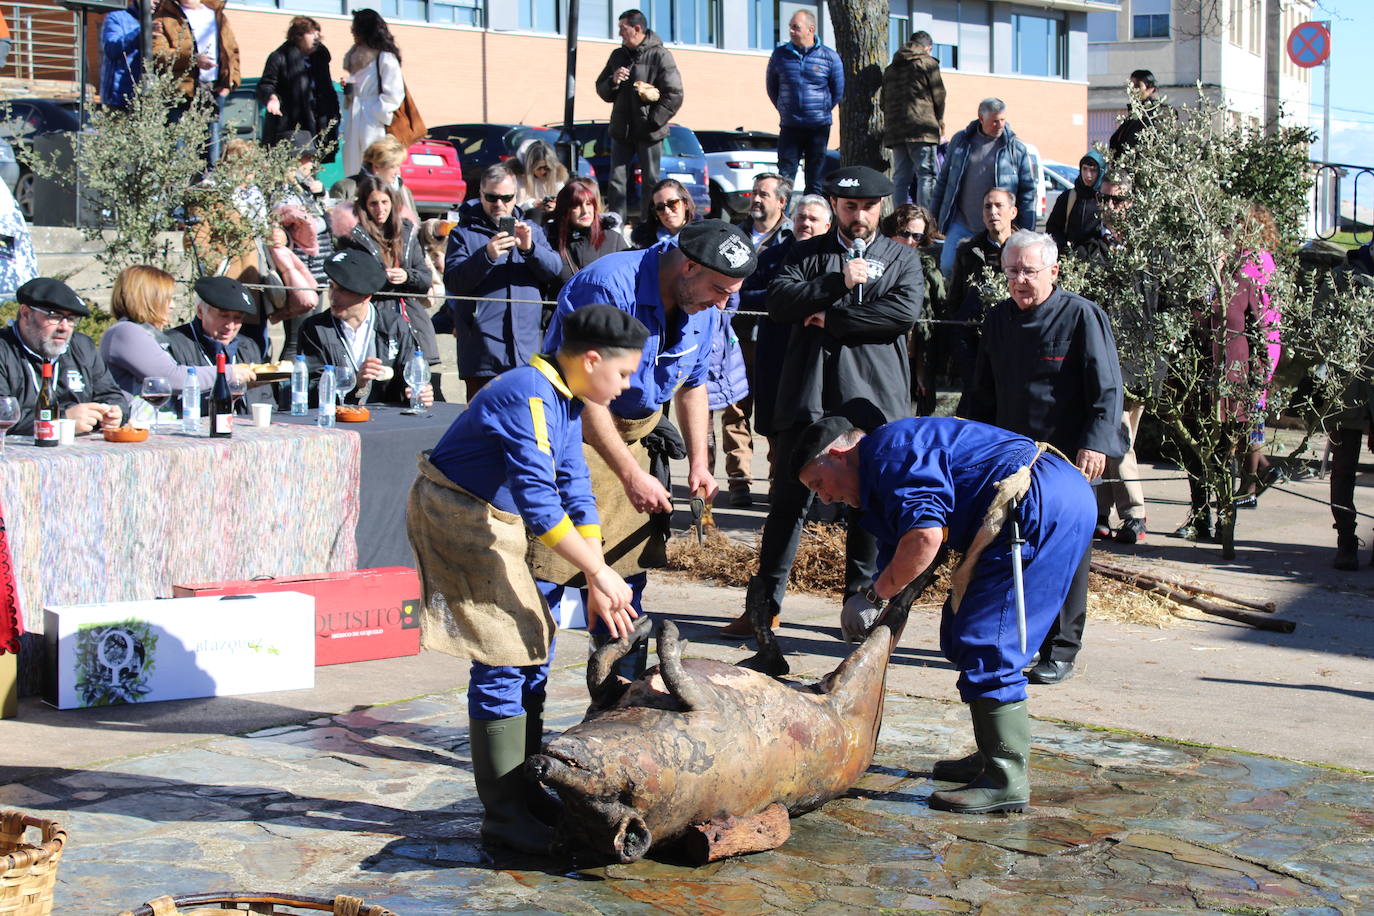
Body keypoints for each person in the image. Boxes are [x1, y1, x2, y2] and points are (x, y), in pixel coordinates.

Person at [411, 305, 643, 854]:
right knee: (503, 654)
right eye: (625, 373)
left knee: (533, 644)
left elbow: (574, 486)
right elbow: (541, 505)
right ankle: (505, 816)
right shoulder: (528, 394)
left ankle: (526, 790)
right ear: (591, 359)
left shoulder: (564, 398)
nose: (628, 386)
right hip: (462, 517)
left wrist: (596, 572)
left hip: (500, 519)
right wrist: (597, 573)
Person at [792, 413, 1094, 814]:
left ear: (840, 453)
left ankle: (1006, 779)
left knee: (989, 640)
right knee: (959, 633)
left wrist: (873, 595)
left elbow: (924, 538)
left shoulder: (887, 455)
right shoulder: (884, 467)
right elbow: (903, 553)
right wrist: (879, 609)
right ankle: (993, 753)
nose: (824, 498)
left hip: (1036, 500)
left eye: (819, 483)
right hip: (1044, 495)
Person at [540, 220, 757, 670]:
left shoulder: (708, 306)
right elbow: (584, 394)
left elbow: (692, 385)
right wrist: (629, 474)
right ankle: (526, 714)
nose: (724, 303)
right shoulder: (606, 286)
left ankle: (617, 709)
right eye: (719, 290)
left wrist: (700, 463)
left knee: (623, 587)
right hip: (571, 439)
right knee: (548, 578)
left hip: (637, 441)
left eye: (731, 294)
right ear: (688, 266)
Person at [724, 166, 923, 638]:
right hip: (809, 398)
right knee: (787, 504)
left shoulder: (901, 259)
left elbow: (900, 314)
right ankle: (762, 608)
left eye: (868, 207)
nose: (859, 216)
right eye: (850, 206)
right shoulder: (806, 252)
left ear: (881, 208)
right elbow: (780, 302)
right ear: (835, 206)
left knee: (868, 507)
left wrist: (831, 318)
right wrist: (836, 282)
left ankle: (860, 607)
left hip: (871, 400)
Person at [961, 230, 1125, 686]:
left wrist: (1096, 443)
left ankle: (1061, 647)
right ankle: (1011, 639)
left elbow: (1107, 388)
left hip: (1068, 456)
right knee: (1008, 549)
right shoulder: (997, 320)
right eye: (1011, 271)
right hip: (1011, 455)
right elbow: (982, 392)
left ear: (1053, 271)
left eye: (1028, 272)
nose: (1019, 280)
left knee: (1065, 552)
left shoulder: (1081, 316)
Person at [443, 163, 561, 400]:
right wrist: (486, 255)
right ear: (481, 195)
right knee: (482, 428)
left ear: (515, 197)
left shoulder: (531, 230)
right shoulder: (463, 233)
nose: (499, 204)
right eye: (492, 197)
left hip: (527, 350)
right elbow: (454, 282)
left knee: (527, 424)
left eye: (506, 198)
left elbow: (555, 271)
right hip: (482, 354)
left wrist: (530, 249)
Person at [1080, 175, 1154, 545]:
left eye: (1118, 200)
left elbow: (1162, 309)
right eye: (1104, 199)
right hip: (1103, 364)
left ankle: (1124, 514)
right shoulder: (1089, 249)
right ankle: (1122, 514)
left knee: (1118, 440)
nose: (1110, 207)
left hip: (1138, 364)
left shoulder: (1148, 251)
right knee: (1113, 438)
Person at [746, 193, 831, 466]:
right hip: (777, 349)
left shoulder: (833, 258)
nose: (805, 223)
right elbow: (745, 295)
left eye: (813, 219)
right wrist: (792, 301)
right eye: (801, 217)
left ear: (827, 226)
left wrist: (792, 299)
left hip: (820, 353)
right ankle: (776, 479)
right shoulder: (771, 256)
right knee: (776, 424)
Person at [100, 264, 254, 402]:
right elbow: (172, 378)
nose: (172, 306)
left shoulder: (137, 331)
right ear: (148, 300)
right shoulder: (127, 332)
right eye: (167, 299)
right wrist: (228, 372)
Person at [300, 249, 434, 407]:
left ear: (366, 296)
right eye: (331, 287)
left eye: (343, 290)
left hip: (386, 418)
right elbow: (310, 388)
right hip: (334, 416)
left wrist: (419, 391)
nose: (333, 296)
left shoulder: (394, 325)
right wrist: (355, 381)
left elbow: (410, 372)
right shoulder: (315, 329)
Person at [335, 176, 439, 371]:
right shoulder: (352, 237)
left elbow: (425, 279)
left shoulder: (407, 233)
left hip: (409, 315)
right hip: (372, 313)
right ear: (364, 206)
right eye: (373, 203)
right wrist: (382, 278)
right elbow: (350, 280)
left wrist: (407, 276)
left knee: (418, 378)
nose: (380, 208)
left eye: (384, 202)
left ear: (393, 202)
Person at [0, 278, 124, 436]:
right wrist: (63, 420)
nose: (64, 327)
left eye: (71, 319)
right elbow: (3, 414)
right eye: (54, 316)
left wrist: (113, 414)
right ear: (26, 314)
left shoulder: (83, 347)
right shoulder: (4, 349)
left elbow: (112, 396)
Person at [594, 9, 683, 222]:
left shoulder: (661, 55)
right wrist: (613, 81)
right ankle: (616, 224)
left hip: (649, 131)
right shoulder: (618, 55)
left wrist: (653, 121)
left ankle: (649, 225)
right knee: (616, 181)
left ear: (637, 28)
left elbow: (675, 94)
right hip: (621, 131)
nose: (620, 34)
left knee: (651, 182)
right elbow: (602, 89)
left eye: (623, 29)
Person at [931, 98, 1036, 278]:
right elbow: (944, 180)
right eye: (995, 121)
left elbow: (1028, 191)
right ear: (981, 118)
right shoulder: (961, 141)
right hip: (962, 222)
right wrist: (933, 217)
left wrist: (1026, 231)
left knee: (999, 273)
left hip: (999, 226)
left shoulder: (1015, 148)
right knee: (948, 267)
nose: (1000, 125)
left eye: (1003, 119)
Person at [946, 188, 1019, 396]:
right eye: (987, 207)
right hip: (976, 346)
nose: (992, 212)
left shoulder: (1028, 248)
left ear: (1013, 212)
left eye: (999, 206)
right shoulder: (968, 251)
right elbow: (955, 301)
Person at [1328, 241, 1374, 569]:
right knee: (1343, 470)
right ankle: (1346, 540)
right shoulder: (1341, 277)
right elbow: (1318, 330)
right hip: (1346, 389)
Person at [165, 275, 272, 414]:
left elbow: (267, 403)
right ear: (200, 311)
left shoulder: (248, 347)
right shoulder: (173, 344)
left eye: (238, 318)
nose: (230, 326)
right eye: (223, 315)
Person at [151, 0, 240, 164]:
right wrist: (191, 59)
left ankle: (207, 184)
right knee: (177, 147)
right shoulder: (164, 15)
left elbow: (232, 50)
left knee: (211, 147)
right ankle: (179, 187)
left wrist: (230, 82)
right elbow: (158, 54)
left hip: (214, 89)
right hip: (180, 91)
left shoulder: (216, 14)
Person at [765, 9, 844, 195]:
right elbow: (772, 87)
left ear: (811, 29)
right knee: (785, 177)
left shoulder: (829, 57)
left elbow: (837, 90)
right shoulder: (780, 56)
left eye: (796, 27)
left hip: (818, 126)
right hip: (790, 125)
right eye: (790, 27)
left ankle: (811, 218)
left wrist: (820, 110)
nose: (791, 31)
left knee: (815, 179)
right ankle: (782, 220)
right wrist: (785, 109)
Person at [881, 202, 945, 417]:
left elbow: (936, 317)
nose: (910, 241)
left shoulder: (927, 268)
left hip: (913, 355)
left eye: (917, 237)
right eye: (905, 233)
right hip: (880, 352)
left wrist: (924, 371)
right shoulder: (876, 261)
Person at [258, 16, 340, 161]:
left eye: (318, 34)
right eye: (312, 33)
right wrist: (272, 97)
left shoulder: (320, 59)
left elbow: (326, 90)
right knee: (295, 169)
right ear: (298, 36)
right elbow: (266, 85)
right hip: (292, 126)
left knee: (312, 169)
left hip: (318, 123)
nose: (317, 37)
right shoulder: (280, 57)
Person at [880, 30, 945, 209]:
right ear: (928, 48)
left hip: (896, 131)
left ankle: (898, 219)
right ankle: (928, 219)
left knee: (901, 176)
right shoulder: (927, 63)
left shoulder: (891, 69)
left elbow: (882, 102)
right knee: (927, 174)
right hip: (922, 128)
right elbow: (939, 95)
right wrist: (939, 120)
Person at [341, 9, 405, 177]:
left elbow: (395, 94)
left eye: (355, 28)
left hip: (373, 122)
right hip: (357, 118)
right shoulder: (360, 59)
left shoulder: (385, 57)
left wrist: (376, 113)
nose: (353, 32)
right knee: (354, 167)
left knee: (376, 167)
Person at [542, 177, 628, 300]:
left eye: (588, 204)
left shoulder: (613, 240)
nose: (585, 211)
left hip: (604, 315)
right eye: (576, 206)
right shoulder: (548, 241)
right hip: (564, 315)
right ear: (564, 210)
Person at [348, 135, 419, 224]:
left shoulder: (403, 191)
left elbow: (416, 227)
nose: (398, 172)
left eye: (399, 166)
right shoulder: (349, 188)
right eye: (393, 166)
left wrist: (434, 228)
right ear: (376, 167)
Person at [1045, 151, 1105, 254]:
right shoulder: (1068, 197)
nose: (1088, 175)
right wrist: (1066, 250)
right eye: (1084, 169)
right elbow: (1052, 229)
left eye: (1093, 170)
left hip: (1097, 263)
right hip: (1069, 262)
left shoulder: (1107, 200)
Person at [1109, 69, 1168, 158]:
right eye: (1131, 87)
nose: (1133, 91)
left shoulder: (1159, 113)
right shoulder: (1133, 115)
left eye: (1137, 86)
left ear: (1150, 89)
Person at [100, 1, 143, 111]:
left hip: (151, 100)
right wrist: (142, 32)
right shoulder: (117, 18)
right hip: (119, 100)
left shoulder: (164, 19)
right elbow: (111, 49)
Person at [629, 178, 695, 249]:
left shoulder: (703, 237)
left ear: (685, 204)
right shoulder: (643, 243)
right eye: (660, 207)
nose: (667, 211)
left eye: (672, 203)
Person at [517, 140, 569, 218]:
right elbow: (513, 207)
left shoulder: (557, 179)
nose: (542, 172)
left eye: (547, 168)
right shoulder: (518, 179)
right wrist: (532, 204)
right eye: (539, 168)